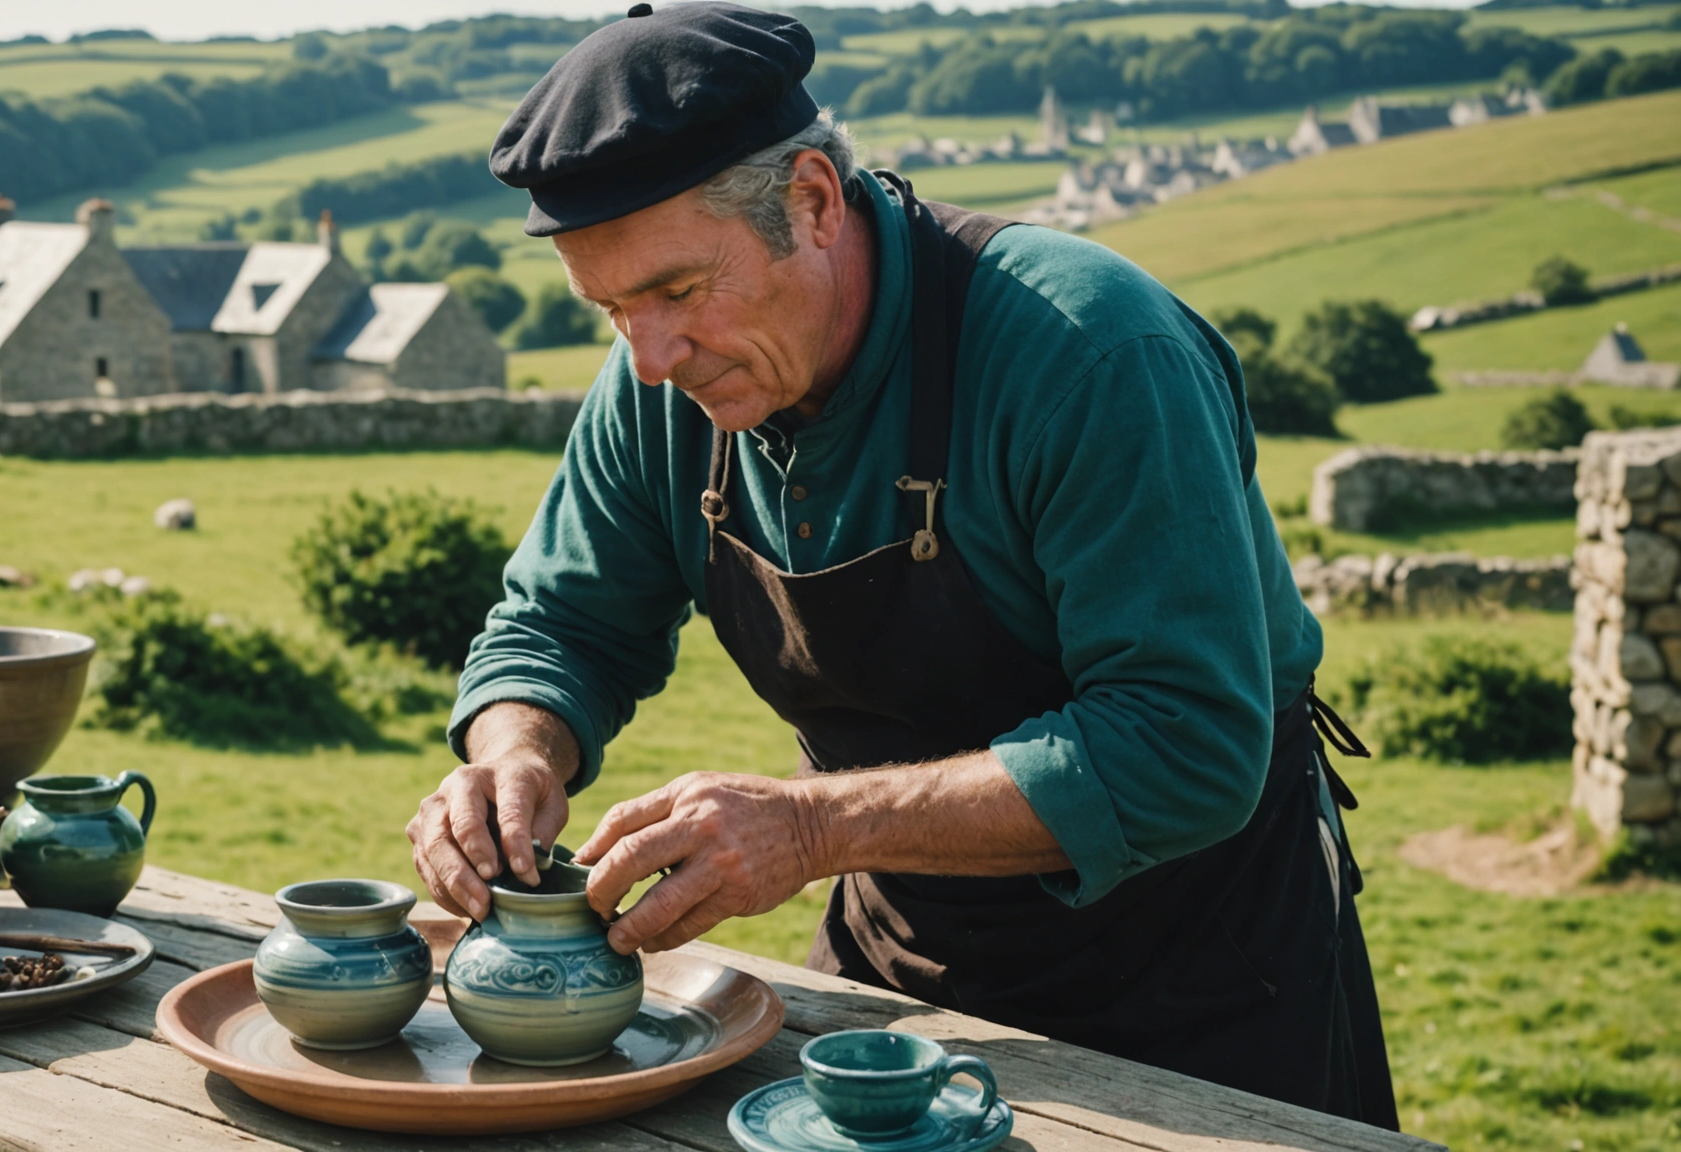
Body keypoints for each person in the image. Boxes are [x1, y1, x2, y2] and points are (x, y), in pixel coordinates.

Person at [405, 1, 1396, 1127]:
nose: (650, 359)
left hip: (1204, 979)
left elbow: (1187, 742)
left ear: (814, 202)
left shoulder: (1090, 350)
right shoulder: (662, 390)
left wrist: (815, 828)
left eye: (677, 291)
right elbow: (561, 626)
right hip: (904, 966)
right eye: (610, 310)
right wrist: (514, 749)